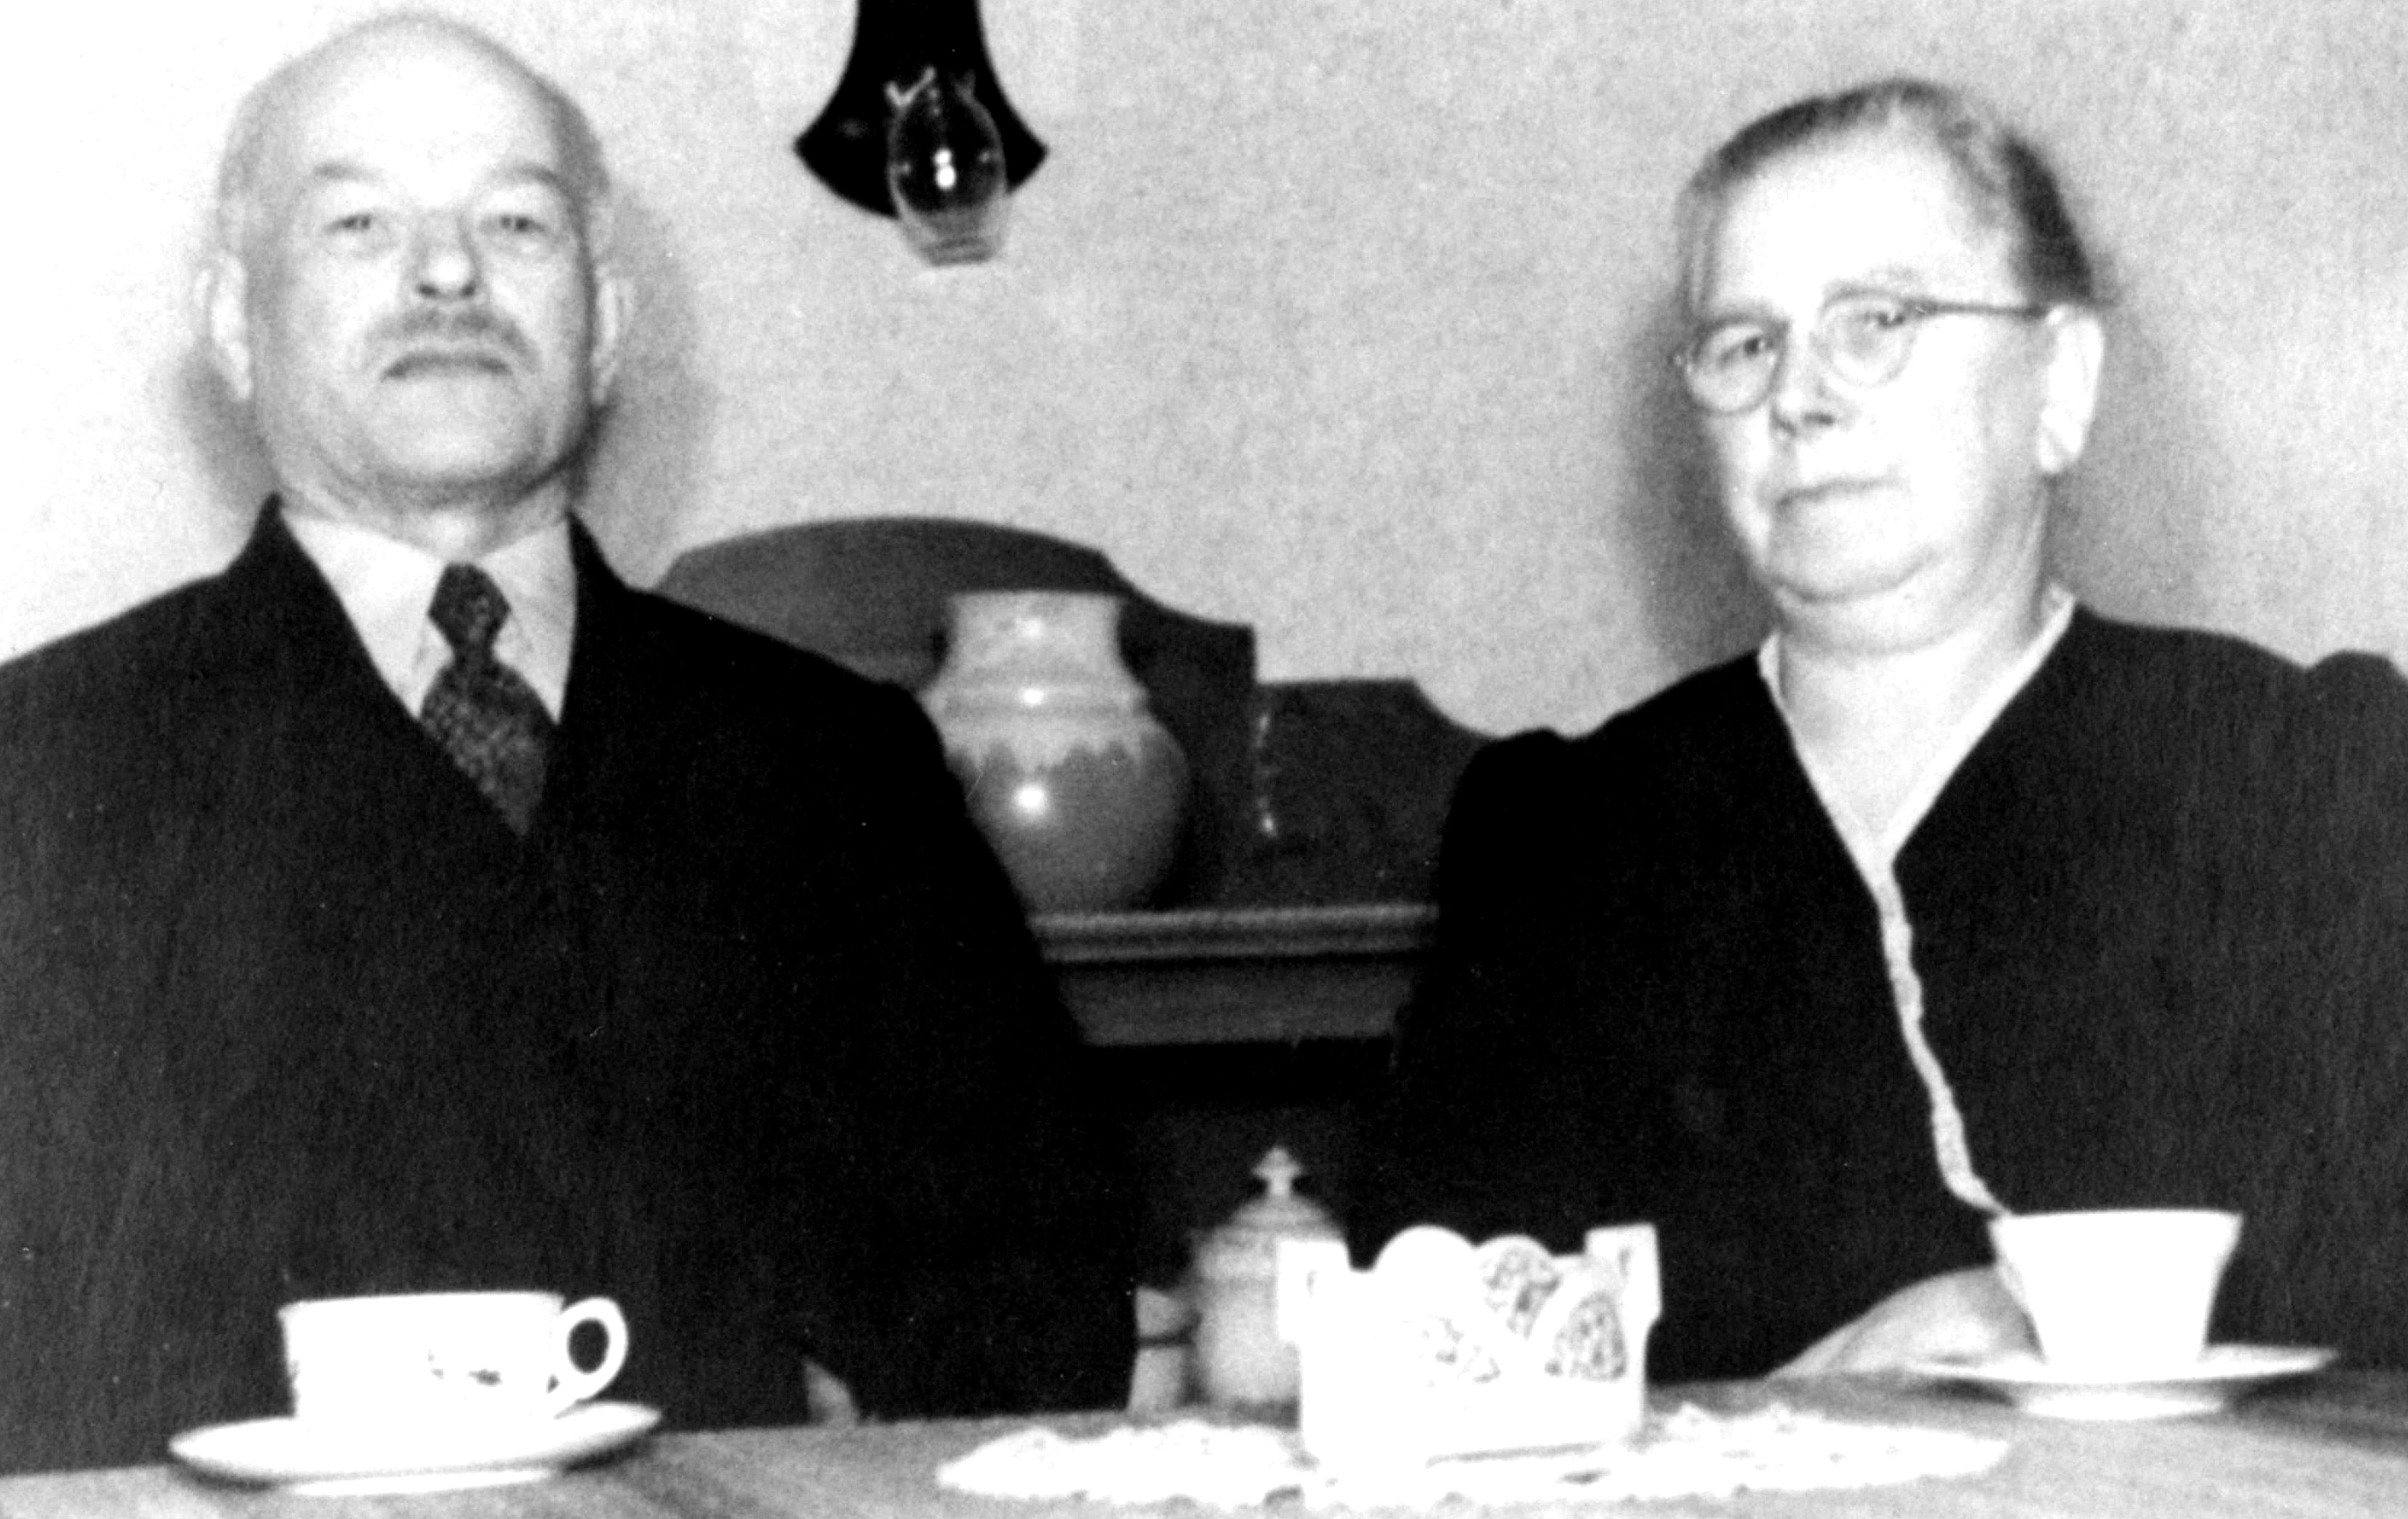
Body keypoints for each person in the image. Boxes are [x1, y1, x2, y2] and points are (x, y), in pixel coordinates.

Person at [0, 12, 1134, 1473]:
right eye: (358, 224)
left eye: (516, 223)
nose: (448, 273)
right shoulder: (45, 773)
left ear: (603, 326)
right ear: (233, 324)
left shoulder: (838, 764)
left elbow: (1034, 1304)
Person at [1352, 77, 2408, 1381]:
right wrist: (1818, 1398)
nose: (1798, 396)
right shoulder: (1562, 839)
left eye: (1876, 322)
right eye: (1744, 344)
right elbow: (1430, 1363)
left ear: (2061, 385)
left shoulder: (2306, 775)